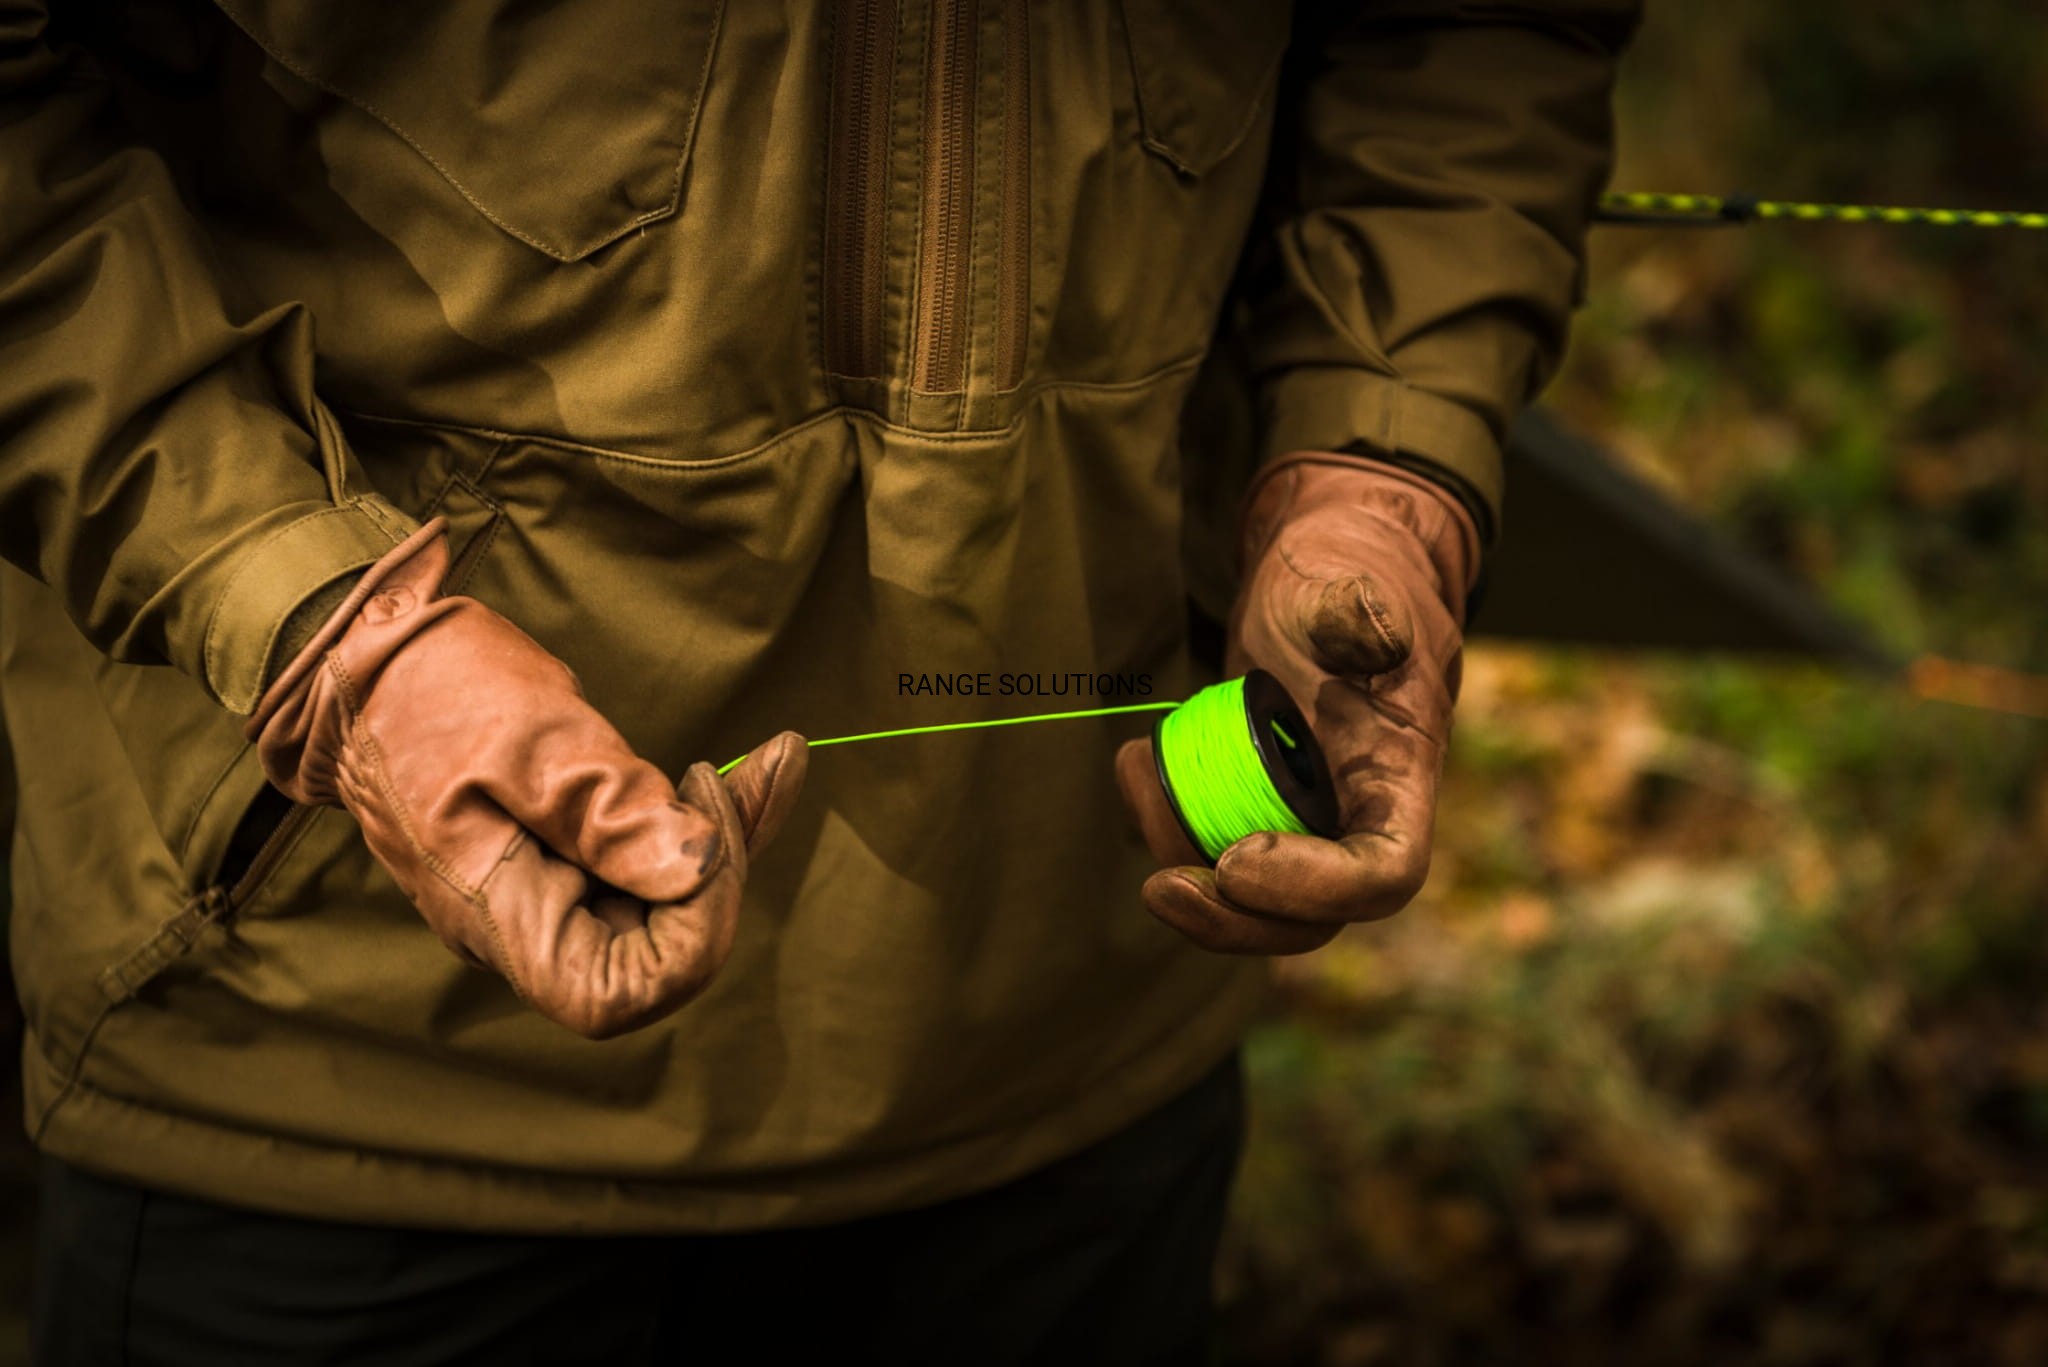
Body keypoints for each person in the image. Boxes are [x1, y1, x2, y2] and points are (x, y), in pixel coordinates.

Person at [2, 0, 1638, 1360]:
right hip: (326, 1086)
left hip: (1075, 1073)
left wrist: (1381, 466)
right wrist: (319, 633)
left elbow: (1471, 37)